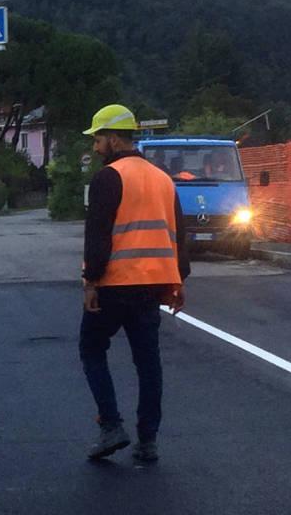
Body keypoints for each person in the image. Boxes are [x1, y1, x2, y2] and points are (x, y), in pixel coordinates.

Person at [79, 104, 189, 463]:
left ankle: (110, 425)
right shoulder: (162, 179)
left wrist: (90, 281)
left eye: (97, 139)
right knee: (148, 362)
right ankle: (148, 441)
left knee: (92, 349)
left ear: (112, 138)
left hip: (114, 283)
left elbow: (97, 237)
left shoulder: (108, 178)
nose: (95, 147)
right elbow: (178, 237)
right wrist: (178, 281)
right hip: (152, 286)